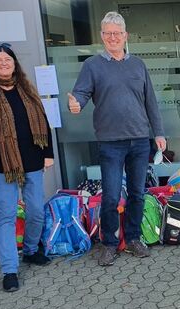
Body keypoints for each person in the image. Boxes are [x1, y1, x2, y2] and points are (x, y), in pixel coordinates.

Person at [68, 11, 166, 266]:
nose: (113, 37)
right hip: (110, 142)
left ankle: (132, 239)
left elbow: (150, 102)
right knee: (111, 196)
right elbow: (80, 93)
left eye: (117, 33)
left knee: (137, 193)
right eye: (108, 33)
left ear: (125, 36)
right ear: (102, 36)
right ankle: (109, 243)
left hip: (139, 140)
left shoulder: (138, 65)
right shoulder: (92, 66)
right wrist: (76, 103)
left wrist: (159, 133)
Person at [0, 42, 54, 292]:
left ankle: (30, 250)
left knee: (36, 210)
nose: (4, 64)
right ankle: (9, 270)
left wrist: (47, 153)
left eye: (8, 59)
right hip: (2, 165)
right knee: (6, 215)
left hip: (33, 160)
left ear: (14, 63)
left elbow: (43, 121)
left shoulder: (27, 89)